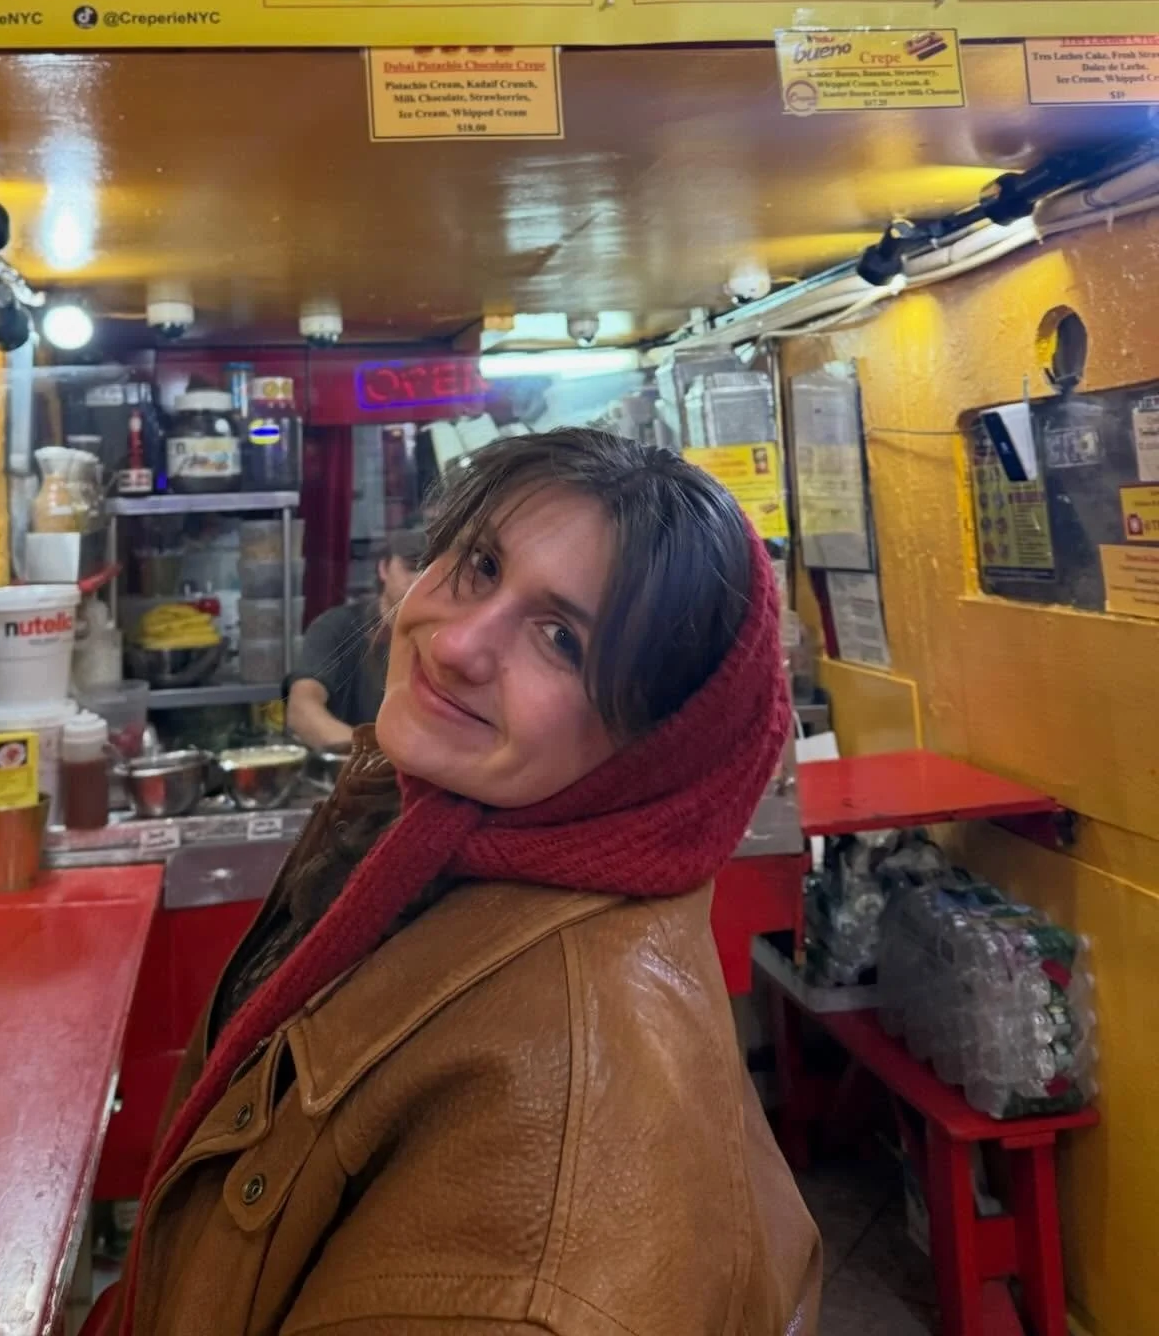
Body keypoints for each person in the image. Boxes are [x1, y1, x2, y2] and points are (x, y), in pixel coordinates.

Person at [94, 429, 820, 1336]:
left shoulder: (554, 1176)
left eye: (560, 639)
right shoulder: (427, 828)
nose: (459, 644)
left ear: (655, 745)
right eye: (480, 565)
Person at [284, 529, 424, 751]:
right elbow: (302, 709)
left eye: (432, 571)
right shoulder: (336, 627)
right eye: (412, 567)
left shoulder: (451, 638)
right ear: (383, 568)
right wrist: (374, 758)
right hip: (353, 763)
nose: (420, 579)